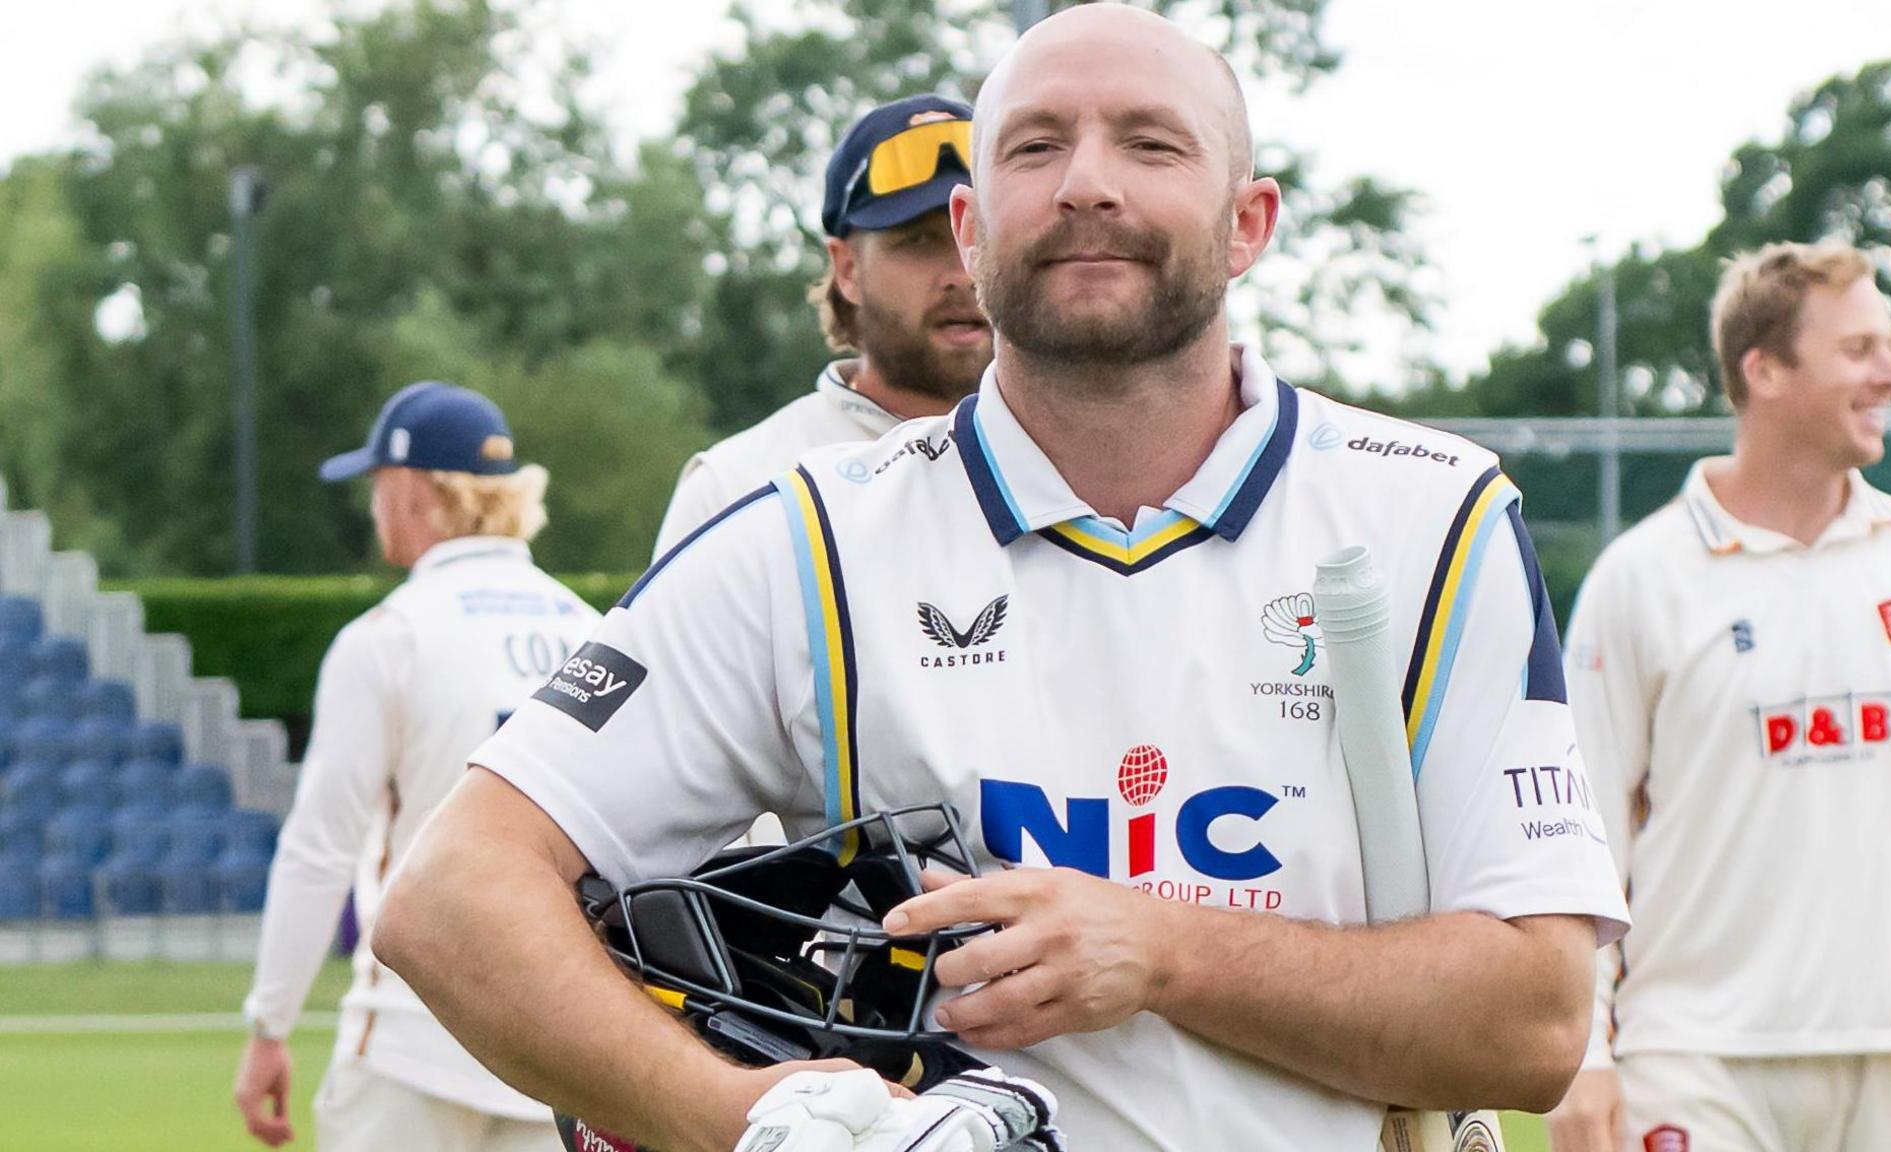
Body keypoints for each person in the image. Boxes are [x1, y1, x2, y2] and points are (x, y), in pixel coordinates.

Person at [376, 7, 1627, 1151]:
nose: (1086, 183)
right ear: (972, 235)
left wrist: (1160, 951)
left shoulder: (1432, 511)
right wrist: (746, 1117)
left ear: (1249, 223)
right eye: (1033, 149)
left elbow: (1526, 1028)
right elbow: (450, 897)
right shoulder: (806, 536)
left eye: (1149, 144)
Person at [1545, 242, 1891, 1152]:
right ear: (1765, 368)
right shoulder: (1642, 578)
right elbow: (1579, 840)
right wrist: (1582, 1050)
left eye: (1888, 347)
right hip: (1695, 1062)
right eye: (1859, 351)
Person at [233, 382, 599, 1152]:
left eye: (377, 485)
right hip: (565, 1050)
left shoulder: (388, 634)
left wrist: (270, 1025)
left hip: (411, 1041)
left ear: (412, 490)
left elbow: (320, 846)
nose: (373, 505)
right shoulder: (592, 629)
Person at [652, 93, 991, 557]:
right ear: (848, 268)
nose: (961, 273)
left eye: (978, 236)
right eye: (918, 241)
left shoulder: (1087, 468)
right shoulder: (737, 487)